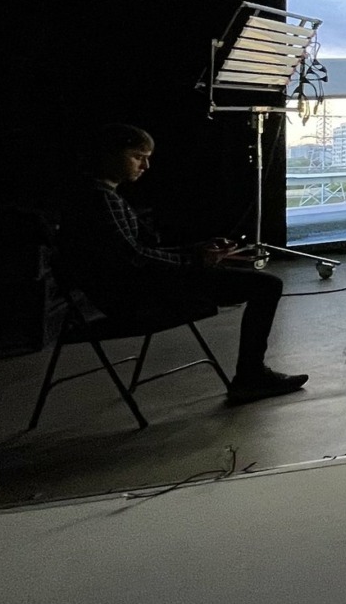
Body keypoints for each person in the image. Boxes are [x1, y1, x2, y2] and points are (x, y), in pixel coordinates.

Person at [55, 123, 309, 402]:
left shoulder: (93, 194)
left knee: (253, 281)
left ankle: (251, 375)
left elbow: (140, 251)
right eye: (138, 157)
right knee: (267, 286)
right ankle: (251, 376)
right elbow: (133, 257)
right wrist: (194, 260)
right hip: (137, 300)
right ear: (109, 154)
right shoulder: (101, 199)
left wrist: (196, 251)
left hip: (131, 291)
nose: (145, 166)